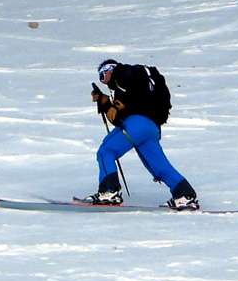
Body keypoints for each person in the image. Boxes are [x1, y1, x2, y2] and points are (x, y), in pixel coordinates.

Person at [85, 59, 199, 210]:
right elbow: (123, 112)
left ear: (109, 70)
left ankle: (108, 192)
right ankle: (184, 194)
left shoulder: (121, 77)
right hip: (152, 127)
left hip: (137, 124)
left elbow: (120, 118)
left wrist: (106, 104)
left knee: (106, 151)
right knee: (157, 164)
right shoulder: (139, 78)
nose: (103, 81)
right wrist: (106, 102)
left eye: (102, 76)